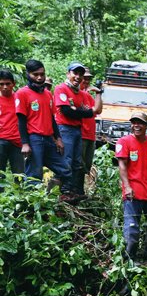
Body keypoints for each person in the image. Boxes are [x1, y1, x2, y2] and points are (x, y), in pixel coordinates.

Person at [15, 59, 73, 197]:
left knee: (65, 169)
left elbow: (51, 118)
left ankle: (56, 196)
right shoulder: (22, 93)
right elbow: (21, 120)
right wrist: (25, 143)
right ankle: (30, 206)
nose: (40, 77)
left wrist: (58, 138)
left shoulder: (47, 94)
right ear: (28, 74)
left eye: (42, 74)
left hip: (49, 139)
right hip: (34, 139)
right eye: (36, 74)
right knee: (35, 175)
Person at [116, 111, 147, 262]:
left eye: (140, 123)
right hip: (133, 192)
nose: (136, 125)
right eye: (134, 122)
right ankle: (129, 257)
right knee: (132, 226)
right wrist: (127, 186)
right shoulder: (124, 142)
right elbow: (122, 166)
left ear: (146, 126)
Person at [54, 62, 99, 198]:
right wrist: (83, 112)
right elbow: (67, 111)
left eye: (81, 74)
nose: (78, 77)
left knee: (77, 162)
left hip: (77, 129)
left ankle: (76, 191)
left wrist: (78, 111)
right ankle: (64, 190)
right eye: (75, 73)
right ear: (68, 74)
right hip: (65, 128)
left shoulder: (79, 93)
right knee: (66, 159)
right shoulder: (61, 89)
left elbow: (91, 111)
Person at [77, 68, 102, 195]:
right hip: (80, 134)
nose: (86, 81)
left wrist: (98, 93)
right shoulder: (75, 94)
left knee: (86, 165)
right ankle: (76, 191)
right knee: (78, 165)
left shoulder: (87, 95)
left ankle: (80, 191)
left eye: (88, 78)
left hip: (90, 135)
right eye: (84, 78)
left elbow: (98, 110)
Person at [0, 69, 23, 178]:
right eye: (1, 84)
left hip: (17, 142)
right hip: (1, 140)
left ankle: (20, 195)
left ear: (13, 84)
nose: (5, 87)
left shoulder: (20, 98)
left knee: (20, 175)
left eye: (7, 84)